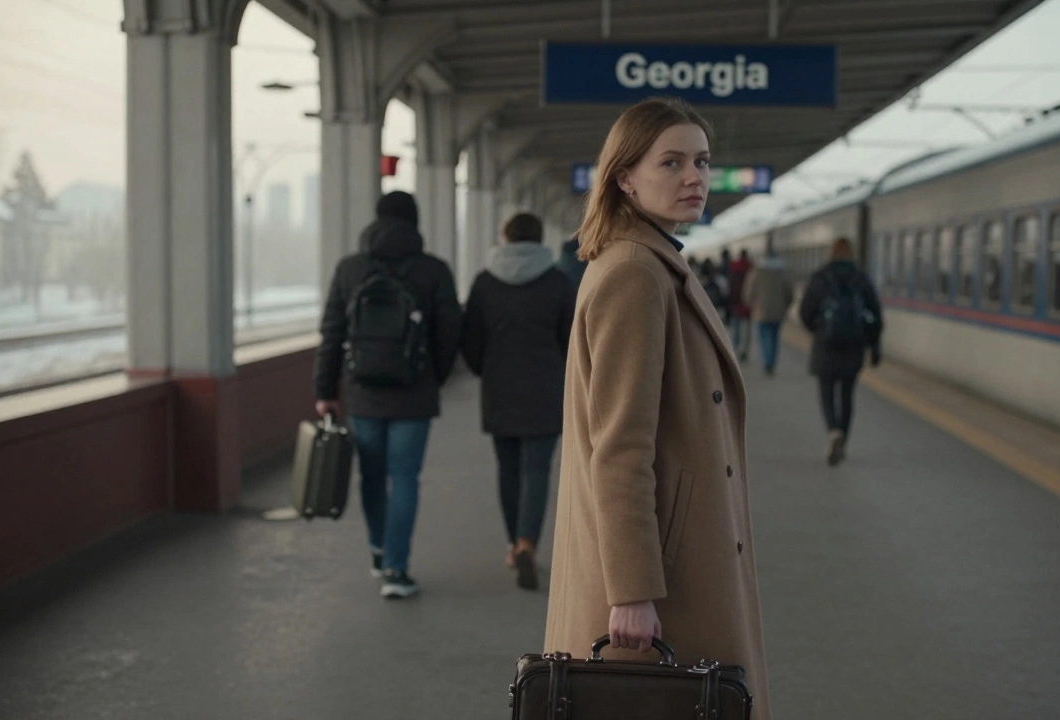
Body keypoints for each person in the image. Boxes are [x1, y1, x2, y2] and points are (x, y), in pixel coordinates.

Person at [543, 97, 772, 719]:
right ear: (625, 176)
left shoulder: (649, 260)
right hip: (664, 580)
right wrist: (634, 592)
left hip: (672, 560)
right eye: (670, 162)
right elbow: (620, 446)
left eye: (701, 160)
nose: (694, 177)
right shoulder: (635, 274)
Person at [313, 190, 462, 599]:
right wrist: (435, 375)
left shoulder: (350, 269)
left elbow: (331, 333)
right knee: (405, 477)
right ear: (415, 222)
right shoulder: (433, 270)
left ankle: (379, 549)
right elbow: (451, 332)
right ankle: (396, 569)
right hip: (414, 393)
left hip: (362, 391)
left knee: (372, 475)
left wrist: (325, 390)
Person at [461, 212, 574, 591]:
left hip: (500, 387)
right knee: (536, 470)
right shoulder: (558, 281)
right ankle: (528, 542)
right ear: (541, 239)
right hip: (545, 388)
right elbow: (571, 339)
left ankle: (513, 544)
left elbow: (471, 341)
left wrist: (486, 369)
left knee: (508, 469)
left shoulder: (484, 283)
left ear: (505, 237)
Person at [798, 237, 883, 467]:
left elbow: (805, 313)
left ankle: (833, 431)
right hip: (854, 347)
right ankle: (843, 437)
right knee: (847, 394)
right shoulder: (861, 279)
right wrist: (874, 346)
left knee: (826, 392)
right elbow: (875, 315)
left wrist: (819, 329)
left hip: (825, 345)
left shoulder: (821, 277)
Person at [742, 250, 794, 376]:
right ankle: (771, 362)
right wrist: (785, 306)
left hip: (761, 311)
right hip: (778, 312)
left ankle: (766, 362)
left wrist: (749, 303)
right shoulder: (782, 273)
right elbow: (789, 293)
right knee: (775, 337)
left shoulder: (756, 272)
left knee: (763, 337)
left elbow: (749, 292)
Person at [727, 249, 754, 360]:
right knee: (747, 329)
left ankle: (735, 349)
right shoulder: (751, 268)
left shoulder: (733, 268)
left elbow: (730, 287)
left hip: (735, 303)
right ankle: (745, 350)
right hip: (747, 304)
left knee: (736, 327)